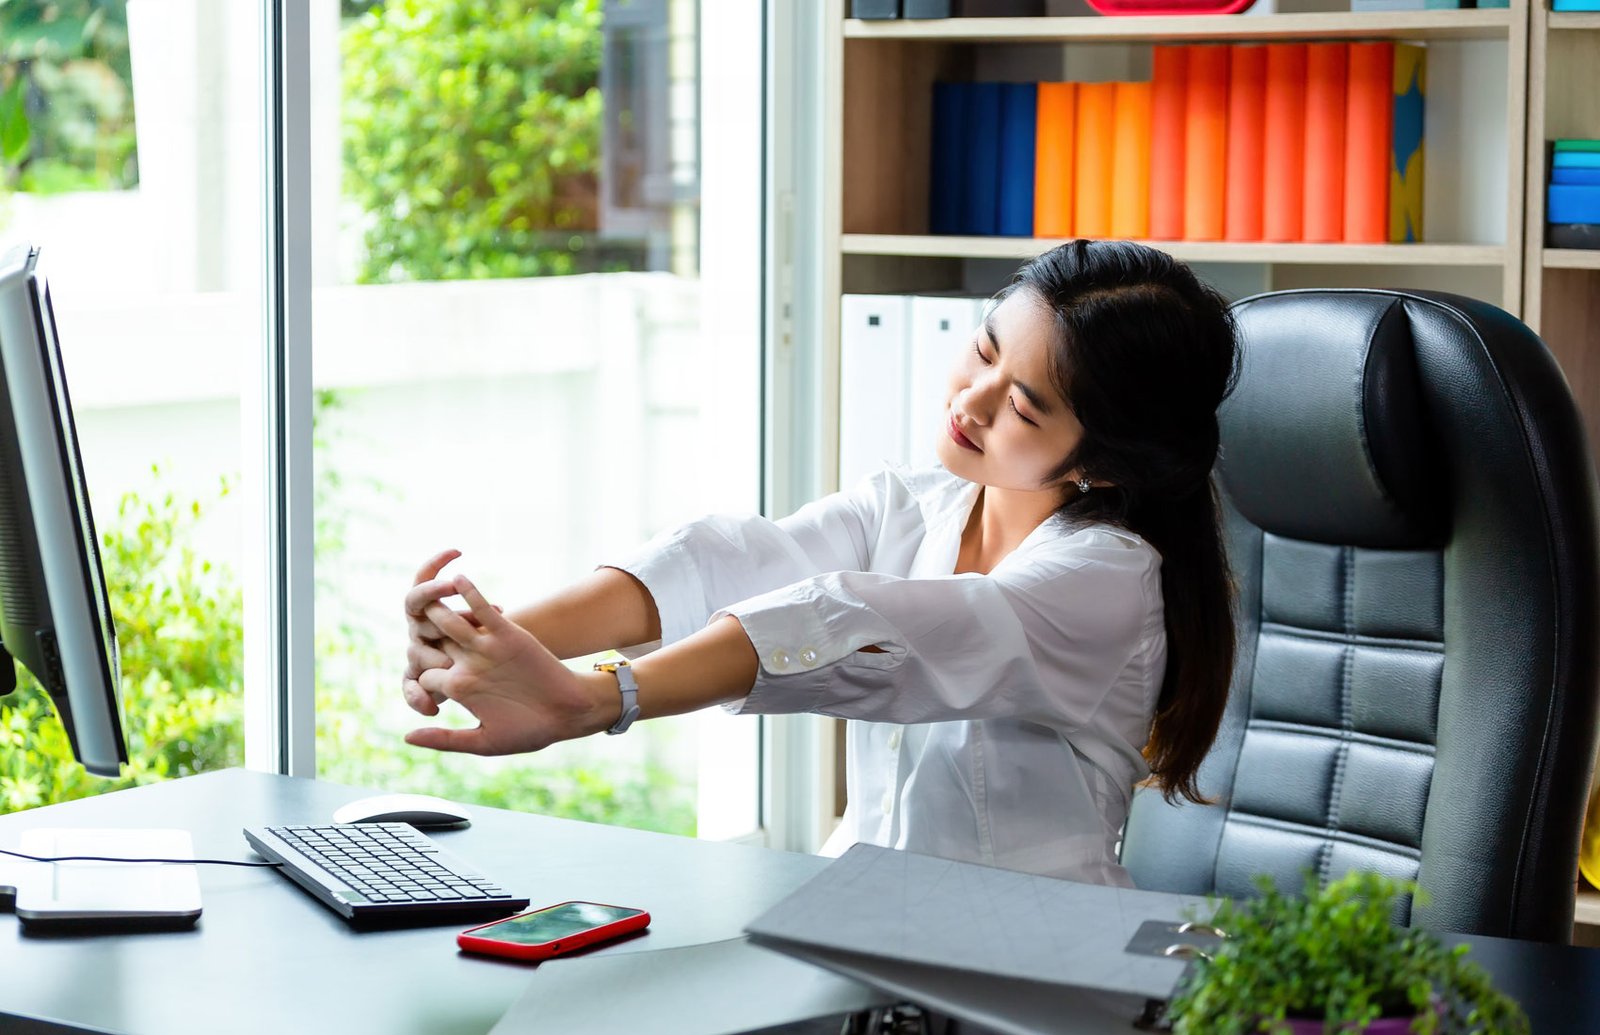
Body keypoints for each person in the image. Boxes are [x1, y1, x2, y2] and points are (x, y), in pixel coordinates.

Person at [401, 239, 1240, 888]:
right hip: (867, 917)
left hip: (1035, 963)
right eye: (985, 352)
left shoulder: (1106, 581)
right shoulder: (911, 505)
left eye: (1021, 406)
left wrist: (597, 698)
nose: (970, 402)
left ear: (1099, 463)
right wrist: (493, 637)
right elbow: (731, 559)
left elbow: (861, 620)